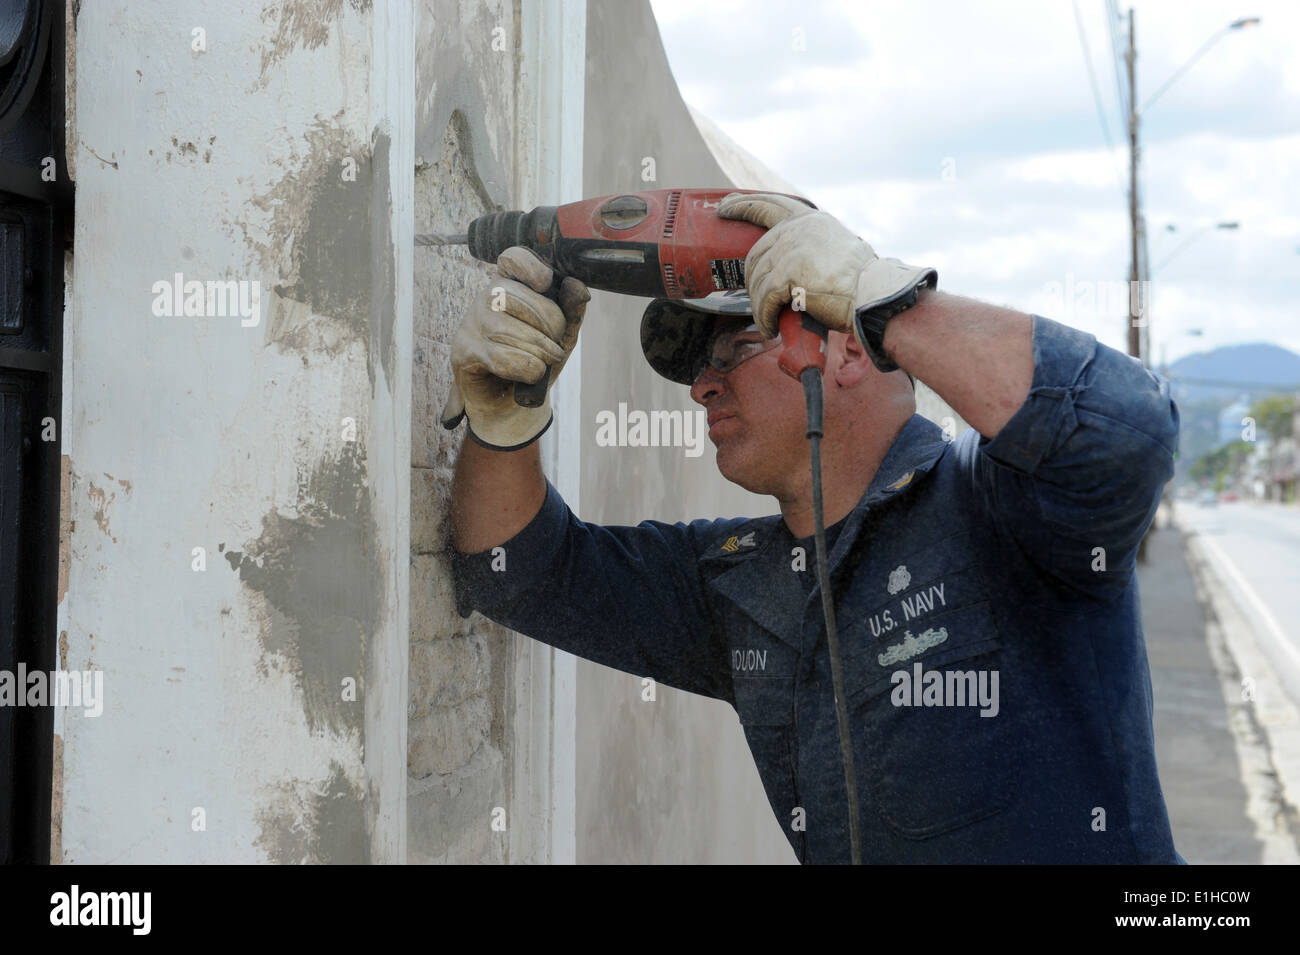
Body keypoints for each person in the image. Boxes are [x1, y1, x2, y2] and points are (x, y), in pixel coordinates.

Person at [442, 192, 1184, 864]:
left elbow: (1129, 432)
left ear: (848, 349)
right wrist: (505, 420)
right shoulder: (742, 583)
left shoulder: (1001, 507)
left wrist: (889, 302)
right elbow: (517, 568)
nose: (703, 386)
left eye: (735, 349)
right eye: (701, 367)